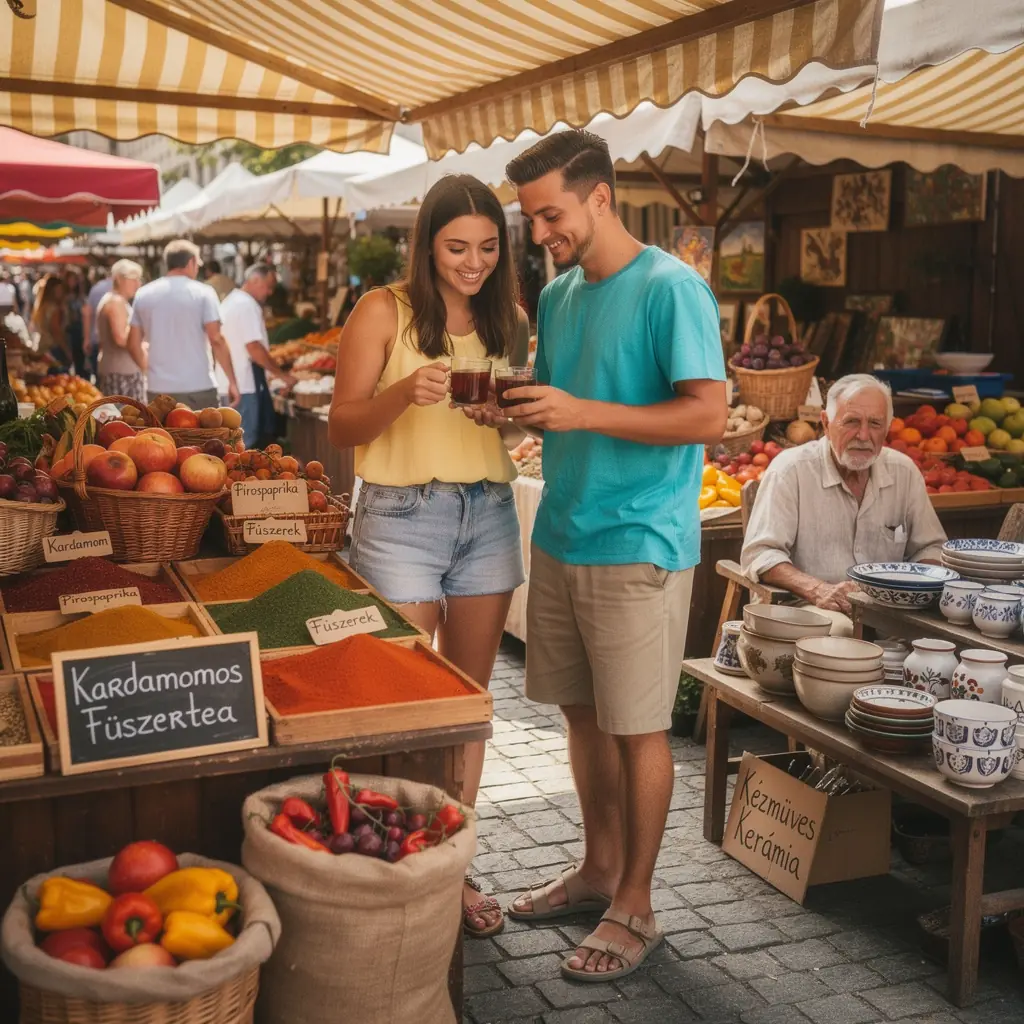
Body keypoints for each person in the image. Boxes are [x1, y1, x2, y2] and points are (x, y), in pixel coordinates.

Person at [501, 130, 727, 983]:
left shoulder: (673, 287)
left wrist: (580, 412)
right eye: (531, 219)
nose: (540, 234)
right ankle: (598, 870)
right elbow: (561, 404)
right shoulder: (559, 296)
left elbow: (707, 416)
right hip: (562, 532)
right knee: (583, 716)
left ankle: (636, 904)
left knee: (638, 730)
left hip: (639, 541)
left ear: (600, 197)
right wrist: (515, 411)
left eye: (550, 214)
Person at [328, 174, 527, 940]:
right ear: (427, 246)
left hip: (489, 512)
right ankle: (400, 861)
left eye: (487, 247)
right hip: (399, 517)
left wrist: (503, 416)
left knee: (468, 703)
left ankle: (453, 863)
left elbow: (509, 426)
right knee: (404, 700)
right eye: (456, 248)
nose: (473, 263)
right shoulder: (383, 309)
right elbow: (343, 425)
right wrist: (403, 392)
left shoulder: (509, 318)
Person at [741, 373, 947, 633]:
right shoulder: (791, 470)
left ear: (887, 428)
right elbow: (761, 554)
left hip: (888, 608)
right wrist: (818, 589)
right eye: (851, 421)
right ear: (826, 424)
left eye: (875, 423)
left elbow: (931, 548)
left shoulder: (904, 472)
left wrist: (914, 588)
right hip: (804, 605)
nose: (863, 435)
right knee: (842, 631)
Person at [128, 239, 240, 409]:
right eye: (198, 264)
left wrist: (149, 371)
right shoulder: (204, 293)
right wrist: (232, 381)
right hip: (198, 387)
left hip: (158, 388)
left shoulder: (143, 294)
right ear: (191, 262)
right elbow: (216, 338)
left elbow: (132, 343)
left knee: (160, 428)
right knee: (203, 428)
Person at [216, 263, 296, 447]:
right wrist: (282, 375)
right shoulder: (246, 305)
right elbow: (254, 347)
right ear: (254, 280)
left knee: (231, 444)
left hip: (229, 383)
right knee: (244, 444)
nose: (269, 292)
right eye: (268, 286)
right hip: (243, 386)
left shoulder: (231, 301)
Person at [95, 259, 147, 401]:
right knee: (125, 413)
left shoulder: (116, 300)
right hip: (121, 373)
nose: (138, 284)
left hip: (120, 370)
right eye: (133, 279)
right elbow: (121, 338)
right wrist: (142, 345)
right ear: (118, 279)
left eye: (139, 279)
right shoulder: (115, 302)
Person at [31, 275, 71, 367]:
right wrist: (67, 351)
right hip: (53, 348)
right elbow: (56, 331)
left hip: (41, 346)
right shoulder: (54, 309)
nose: (61, 292)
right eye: (59, 289)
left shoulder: (41, 306)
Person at [82, 271, 113, 378]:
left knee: (99, 377)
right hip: (113, 345)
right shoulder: (126, 289)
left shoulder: (96, 288)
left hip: (96, 339)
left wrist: (87, 339)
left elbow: (87, 314)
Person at [63, 271, 86, 377]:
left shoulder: (80, 297)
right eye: (70, 280)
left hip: (79, 329)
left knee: (80, 358)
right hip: (68, 330)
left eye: (74, 280)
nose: (72, 282)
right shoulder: (63, 296)